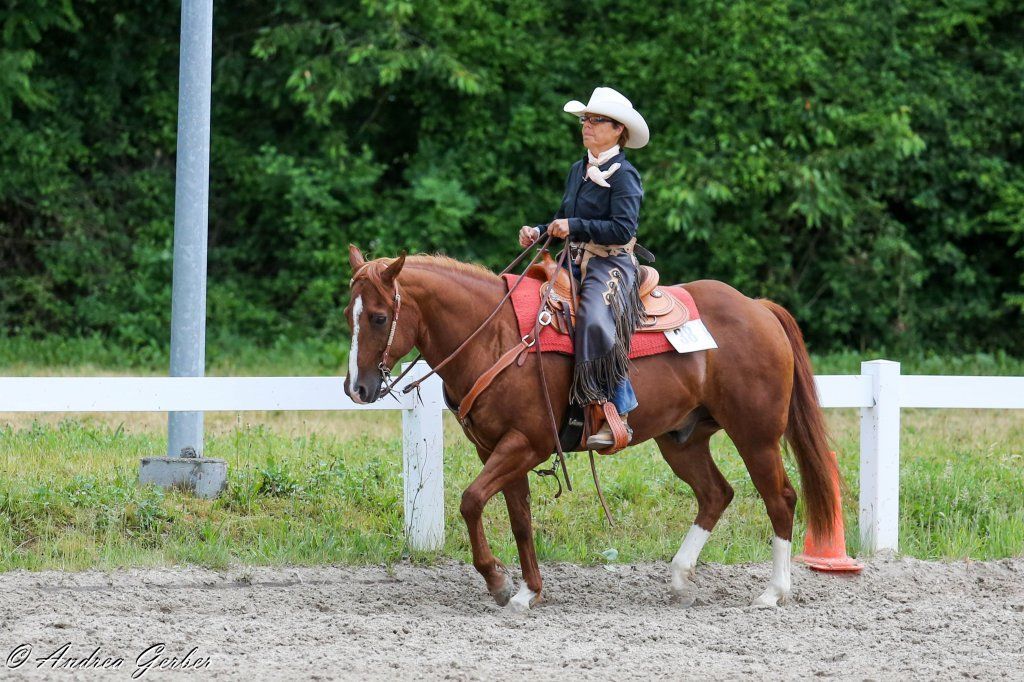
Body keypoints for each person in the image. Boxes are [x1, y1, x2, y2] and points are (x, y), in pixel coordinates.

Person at [518, 87, 649, 449]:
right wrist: (541, 231)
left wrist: (575, 226)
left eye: (596, 120)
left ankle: (617, 411)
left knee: (593, 318)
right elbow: (564, 217)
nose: (586, 126)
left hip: (612, 262)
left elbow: (623, 228)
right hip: (572, 261)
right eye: (585, 120)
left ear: (618, 129)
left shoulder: (625, 175)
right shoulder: (579, 169)